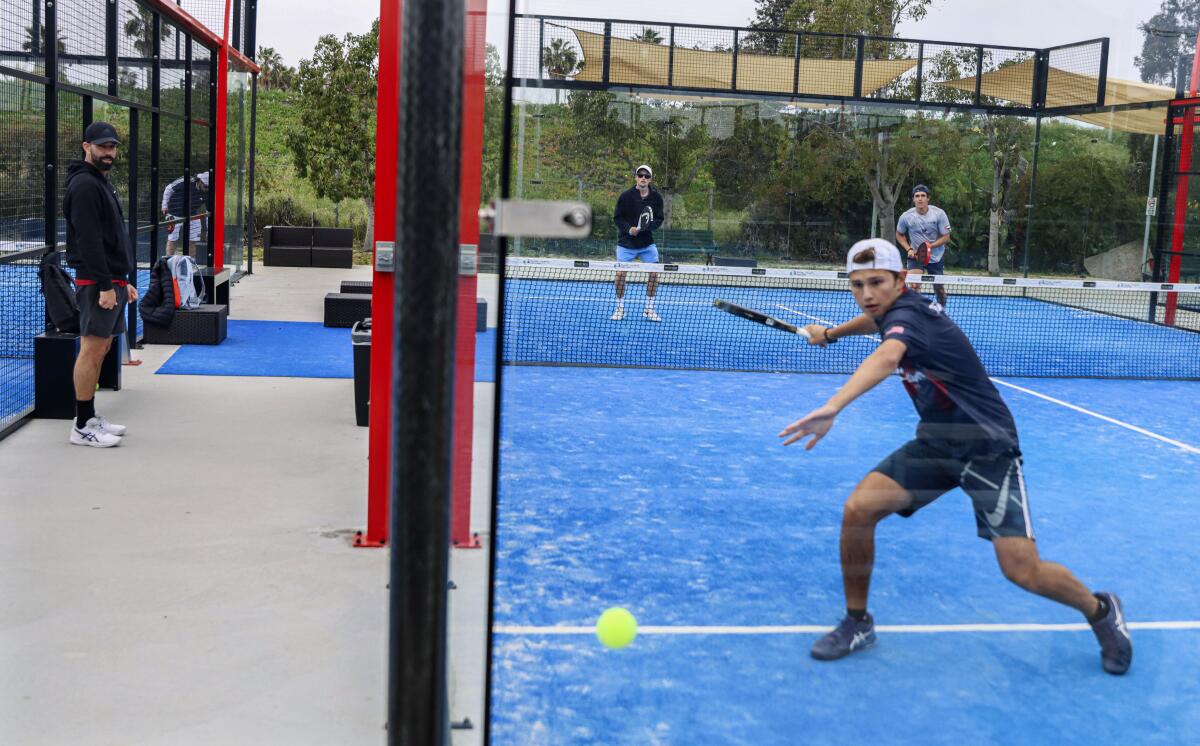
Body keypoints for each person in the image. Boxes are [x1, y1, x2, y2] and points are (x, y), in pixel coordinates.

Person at [779, 237, 1132, 675]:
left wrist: (835, 404)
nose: (867, 294)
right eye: (857, 284)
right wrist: (830, 334)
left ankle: (1100, 610)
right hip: (938, 443)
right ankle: (857, 622)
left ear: (901, 280)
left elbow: (888, 355)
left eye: (876, 283)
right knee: (858, 511)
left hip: (987, 449)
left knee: (1022, 570)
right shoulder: (896, 310)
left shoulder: (908, 316)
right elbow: (877, 323)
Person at [63, 121, 139, 448]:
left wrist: (124, 283)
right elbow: (90, 241)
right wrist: (107, 286)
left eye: (112, 146)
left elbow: (112, 238)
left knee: (103, 347)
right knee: (92, 349)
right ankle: (81, 426)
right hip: (97, 282)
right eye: (102, 146)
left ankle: (90, 415)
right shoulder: (84, 186)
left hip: (112, 281)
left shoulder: (101, 182)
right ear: (87, 147)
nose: (109, 152)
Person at [611, 164, 665, 322]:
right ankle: (620, 309)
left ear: (650, 179)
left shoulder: (656, 198)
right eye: (640, 175)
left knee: (654, 274)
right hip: (626, 243)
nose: (643, 178)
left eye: (646, 176)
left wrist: (644, 228)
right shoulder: (625, 196)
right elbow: (618, 218)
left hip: (647, 243)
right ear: (635, 177)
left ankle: (649, 309)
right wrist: (629, 230)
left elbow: (659, 219)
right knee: (620, 275)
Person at [895, 184, 950, 307]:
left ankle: (941, 311)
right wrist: (908, 248)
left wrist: (929, 246)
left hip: (936, 257)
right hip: (915, 256)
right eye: (917, 196)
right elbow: (899, 234)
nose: (920, 199)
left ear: (928, 198)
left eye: (923, 196)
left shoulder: (939, 214)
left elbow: (946, 237)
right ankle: (916, 313)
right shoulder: (906, 216)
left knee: (939, 289)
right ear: (913, 199)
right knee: (914, 286)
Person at [162, 170, 210, 258]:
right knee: (172, 239)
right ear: (200, 181)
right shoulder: (186, 181)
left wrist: (209, 231)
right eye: (206, 186)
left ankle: (190, 263)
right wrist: (164, 205)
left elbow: (209, 212)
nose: (207, 189)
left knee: (192, 241)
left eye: (210, 187)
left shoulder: (208, 193)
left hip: (192, 215)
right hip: (173, 214)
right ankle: (167, 263)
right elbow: (169, 188)